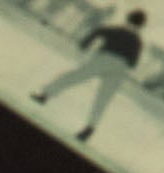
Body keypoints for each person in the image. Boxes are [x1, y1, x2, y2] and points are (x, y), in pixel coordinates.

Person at [34, 9, 148, 143]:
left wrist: (84, 44)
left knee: (74, 77)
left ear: (128, 17)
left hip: (105, 58)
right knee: (103, 98)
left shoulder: (117, 30)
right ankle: (89, 128)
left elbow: (98, 31)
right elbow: (133, 63)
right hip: (120, 67)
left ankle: (45, 95)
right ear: (142, 25)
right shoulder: (138, 41)